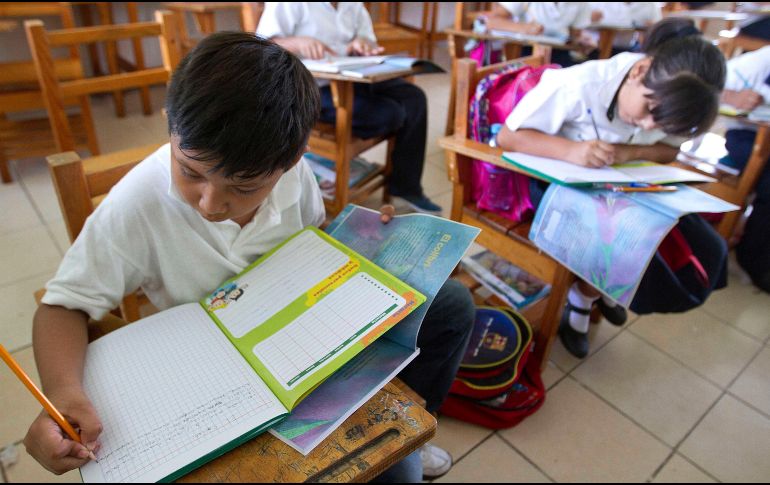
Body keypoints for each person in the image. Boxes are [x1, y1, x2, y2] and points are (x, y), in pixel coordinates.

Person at [23, 33, 473, 481]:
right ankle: (403, 439)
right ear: (170, 126)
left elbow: (315, 238)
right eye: (191, 172)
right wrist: (63, 392)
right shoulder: (135, 205)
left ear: (293, 159)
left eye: (243, 187)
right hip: (210, 377)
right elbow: (61, 305)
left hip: (300, 335)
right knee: (400, 475)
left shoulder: (294, 175)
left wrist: (372, 241)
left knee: (451, 306)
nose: (210, 204)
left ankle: (414, 418)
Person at [496, 18, 728, 358]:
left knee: (705, 248)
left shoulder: (674, 96)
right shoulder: (578, 84)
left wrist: (629, 151)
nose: (650, 125)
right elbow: (508, 136)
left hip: (619, 182)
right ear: (639, 71)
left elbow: (669, 149)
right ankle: (582, 301)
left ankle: (598, 291)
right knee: (623, 238)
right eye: (649, 110)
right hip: (554, 180)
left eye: (661, 123)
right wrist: (572, 151)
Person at [256, 2, 442, 215]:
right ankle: (332, 163)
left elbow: (368, 41)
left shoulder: (353, 5)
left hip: (355, 77)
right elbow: (262, 46)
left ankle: (406, 187)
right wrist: (297, 42)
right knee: (389, 114)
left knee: (415, 98)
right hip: (311, 88)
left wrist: (362, 44)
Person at [719, 45, 770, 292]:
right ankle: (754, 260)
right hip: (747, 134)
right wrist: (731, 97)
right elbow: (709, 83)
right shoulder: (761, 62)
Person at [487, 2, 596, 66]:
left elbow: (575, 34)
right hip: (526, 52)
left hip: (560, 54)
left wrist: (582, 41)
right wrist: (524, 28)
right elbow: (492, 21)